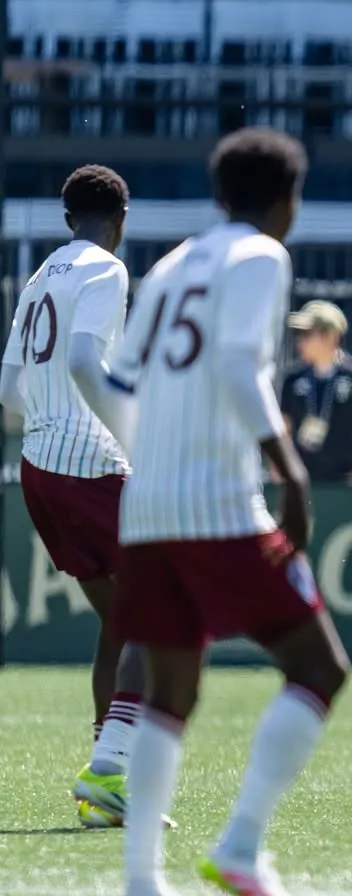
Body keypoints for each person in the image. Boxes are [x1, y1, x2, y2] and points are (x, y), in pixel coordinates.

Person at [97, 128, 349, 896]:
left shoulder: (172, 265)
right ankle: (241, 846)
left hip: (148, 506)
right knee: (319, 667)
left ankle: (143, 887)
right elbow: (241, 367)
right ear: (285, 200)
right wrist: (291, 471)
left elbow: (120, 377)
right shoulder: (261, 257)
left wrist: (150, 464)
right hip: (217, 503)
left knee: (172, 689)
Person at [0, 165, 148, 829]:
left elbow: (8, 388)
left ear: (67, 219)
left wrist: (50, 424)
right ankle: (112, 771)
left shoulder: (39, 276)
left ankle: (106, 785)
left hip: (38, 469)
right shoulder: (107, 271)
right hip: (93, 470)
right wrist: (130, 439)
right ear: (121, 219)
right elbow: (88, 360)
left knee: (122, 622)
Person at [281, 300, 352, 485]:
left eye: (307, 334)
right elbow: (282, 430)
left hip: (346, 483)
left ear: (331, 336)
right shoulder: (292, 379)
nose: (300, 341)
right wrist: (282, 473)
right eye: (300, 334)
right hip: (300, 482)